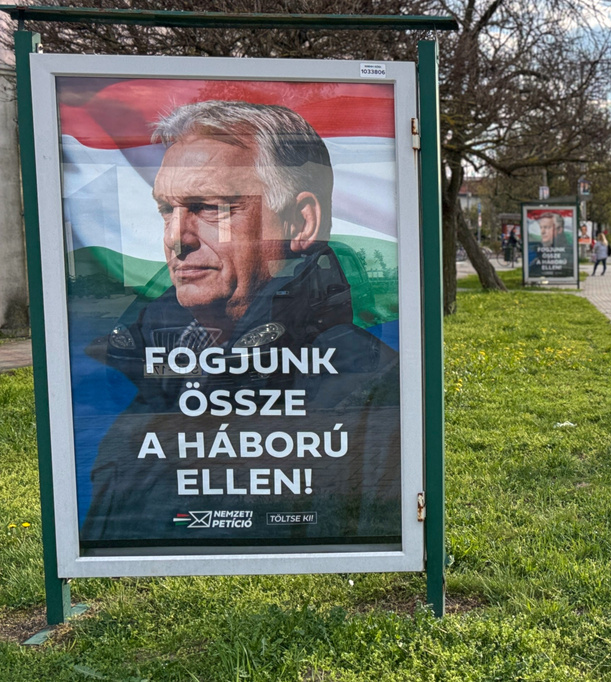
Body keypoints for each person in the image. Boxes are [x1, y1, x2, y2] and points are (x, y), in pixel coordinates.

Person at [81, 100, 402, 547]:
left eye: (209, 207)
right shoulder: (150, 367)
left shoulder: (372, 385)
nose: (175, 238)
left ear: (301, 222)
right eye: (166, 210)